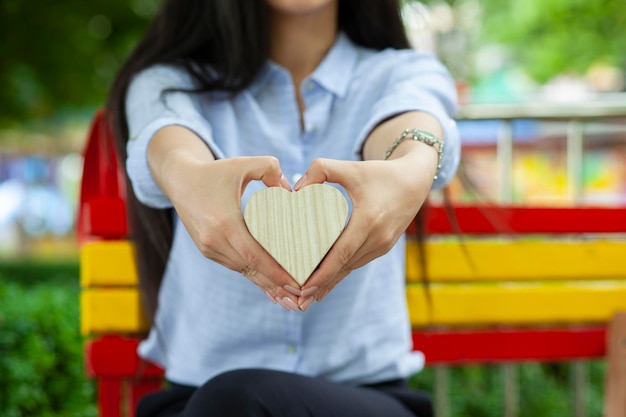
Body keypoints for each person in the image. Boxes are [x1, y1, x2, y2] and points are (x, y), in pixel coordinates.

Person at [106, 0, 460, 416]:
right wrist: (184, 174)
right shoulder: (167, 83)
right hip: (199, 402)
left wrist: (411, 165)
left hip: (364, 401)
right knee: (233, 400)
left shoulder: (404, 73)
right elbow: (169, 141)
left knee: (237, 398)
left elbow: (411, 124)